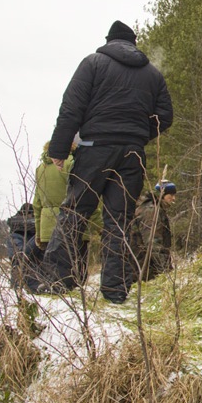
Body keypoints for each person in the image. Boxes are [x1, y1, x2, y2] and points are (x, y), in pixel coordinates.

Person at [38, 20, 173, 303]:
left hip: (94, 149)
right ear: (134, 42)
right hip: (132, 155)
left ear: (109, 40)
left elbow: (71, 108)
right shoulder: (153, 74)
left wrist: (60, 149)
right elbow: (166, 116)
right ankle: (115, 291)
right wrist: (137, 136)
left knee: (75, 213)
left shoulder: (93, 63)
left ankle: (56, 282)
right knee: (119, 221)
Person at [32, 141, 101, 291]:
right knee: (76, 271)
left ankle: (54, 294)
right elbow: (84, 196)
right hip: (72, 223)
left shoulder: (40, 169)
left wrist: (38, 232)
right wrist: (101, 226)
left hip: (47, 226)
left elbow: (37, 203)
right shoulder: (72, 163)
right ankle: (75, 301)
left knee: (53, 269)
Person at [132, 181, 176, 281]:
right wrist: (166, 272)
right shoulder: (152, 211)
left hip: (143, 266)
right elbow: (153, 243)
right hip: (143, 268)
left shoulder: (151, 208)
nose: (174, 198)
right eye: (171, 195)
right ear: (162, 194)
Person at [5, 202, 37, 287]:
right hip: (23, 284)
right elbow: (20, 255)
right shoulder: (15, 236)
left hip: (31, 282)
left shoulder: (14, 235)